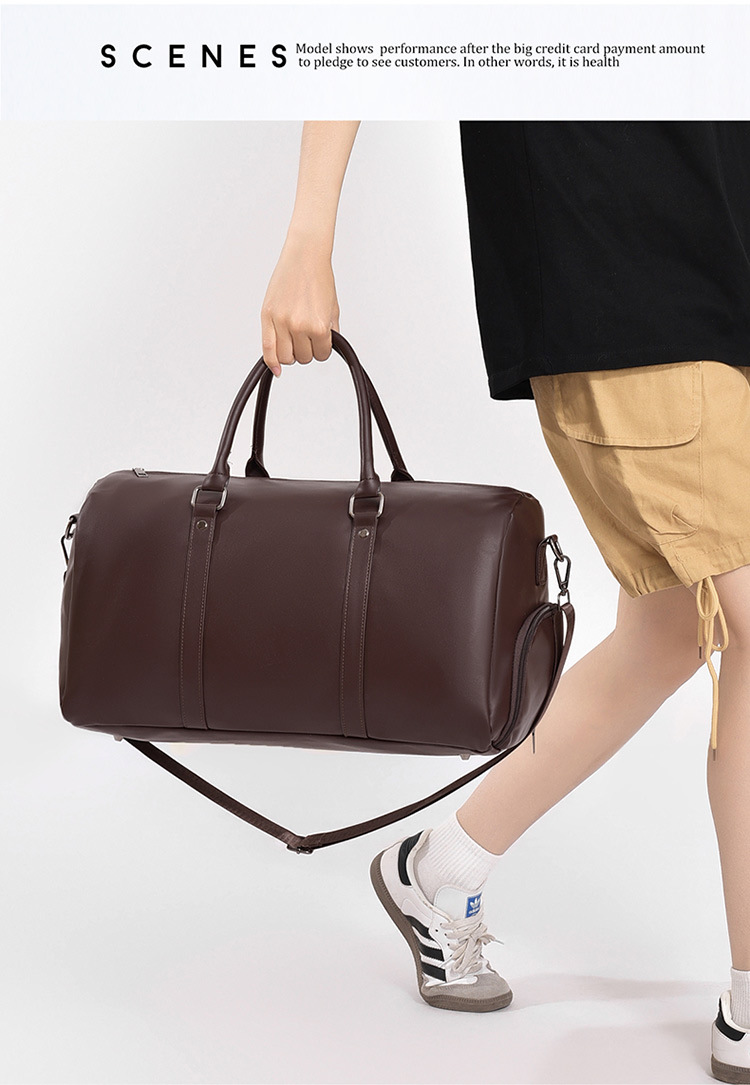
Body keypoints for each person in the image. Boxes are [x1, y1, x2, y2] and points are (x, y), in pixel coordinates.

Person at [260, 120, 750, 1084]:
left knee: (667, 628)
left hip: (723, 230)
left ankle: (441, 867)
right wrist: (307, 235)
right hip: (621, 259)